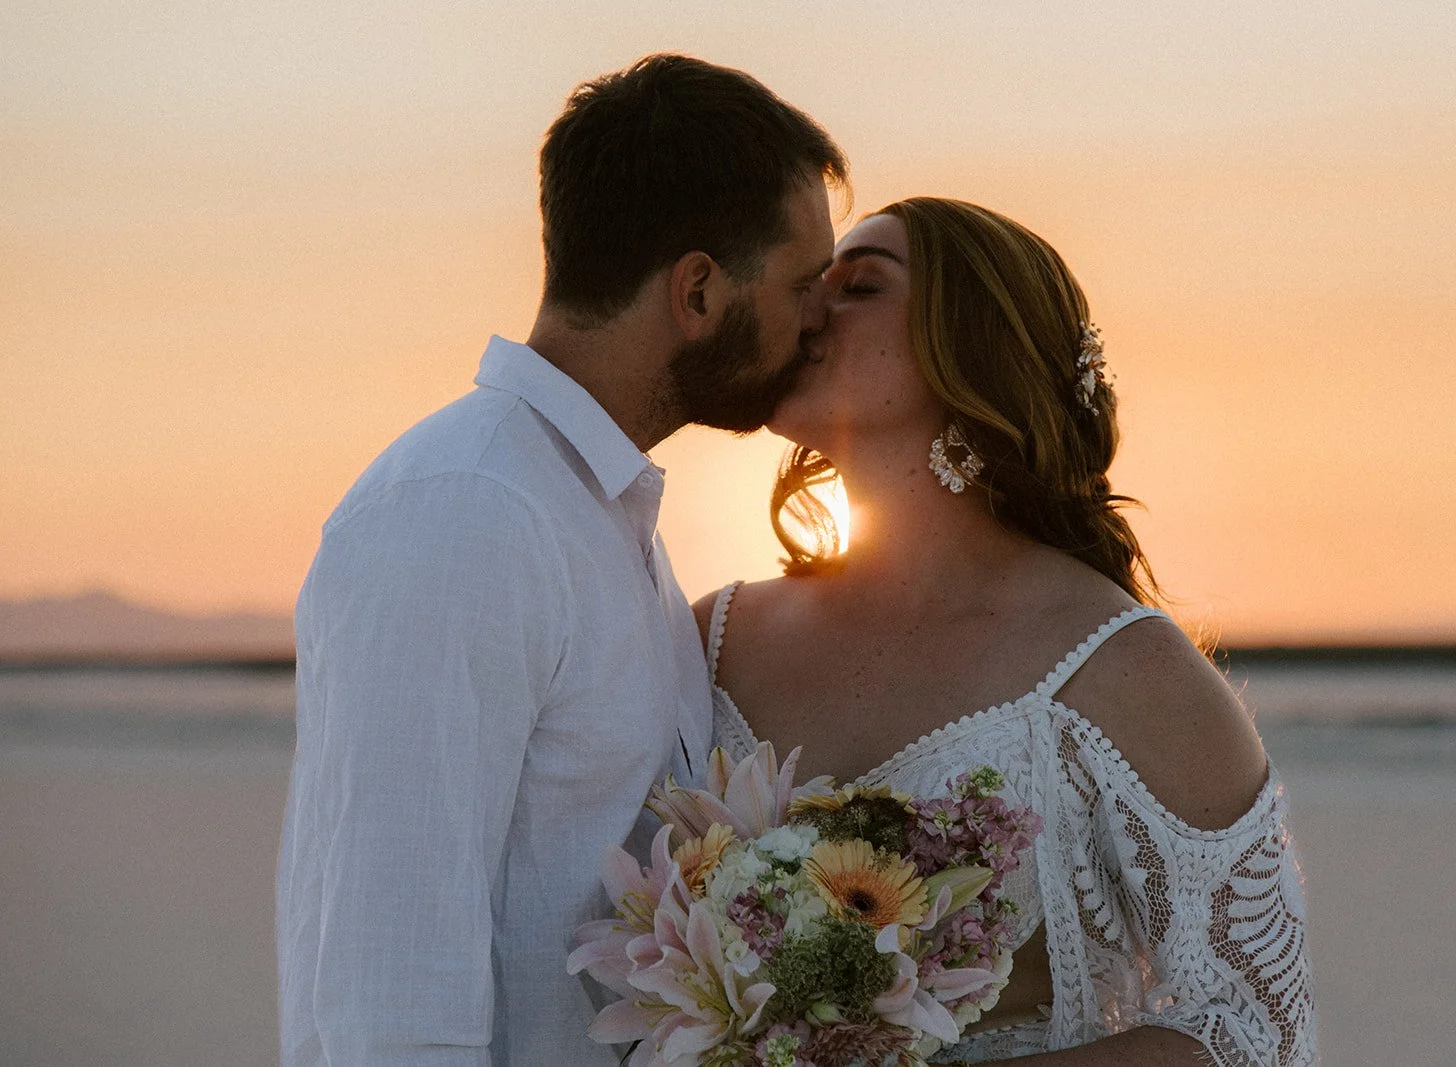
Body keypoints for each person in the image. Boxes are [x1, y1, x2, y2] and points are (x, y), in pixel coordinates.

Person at [276, 55, 846, 1066]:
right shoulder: (468, 509)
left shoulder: (603, 515)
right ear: (699, 290)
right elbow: (385, 987)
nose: (820, 321)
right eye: (804, 284)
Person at [696, 198, 1316, 1066]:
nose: (808, 305)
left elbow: (1260, 1033)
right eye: (811, 282)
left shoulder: (1123, 672)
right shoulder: (704, 641)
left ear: (969, 351)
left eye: (860, 284)